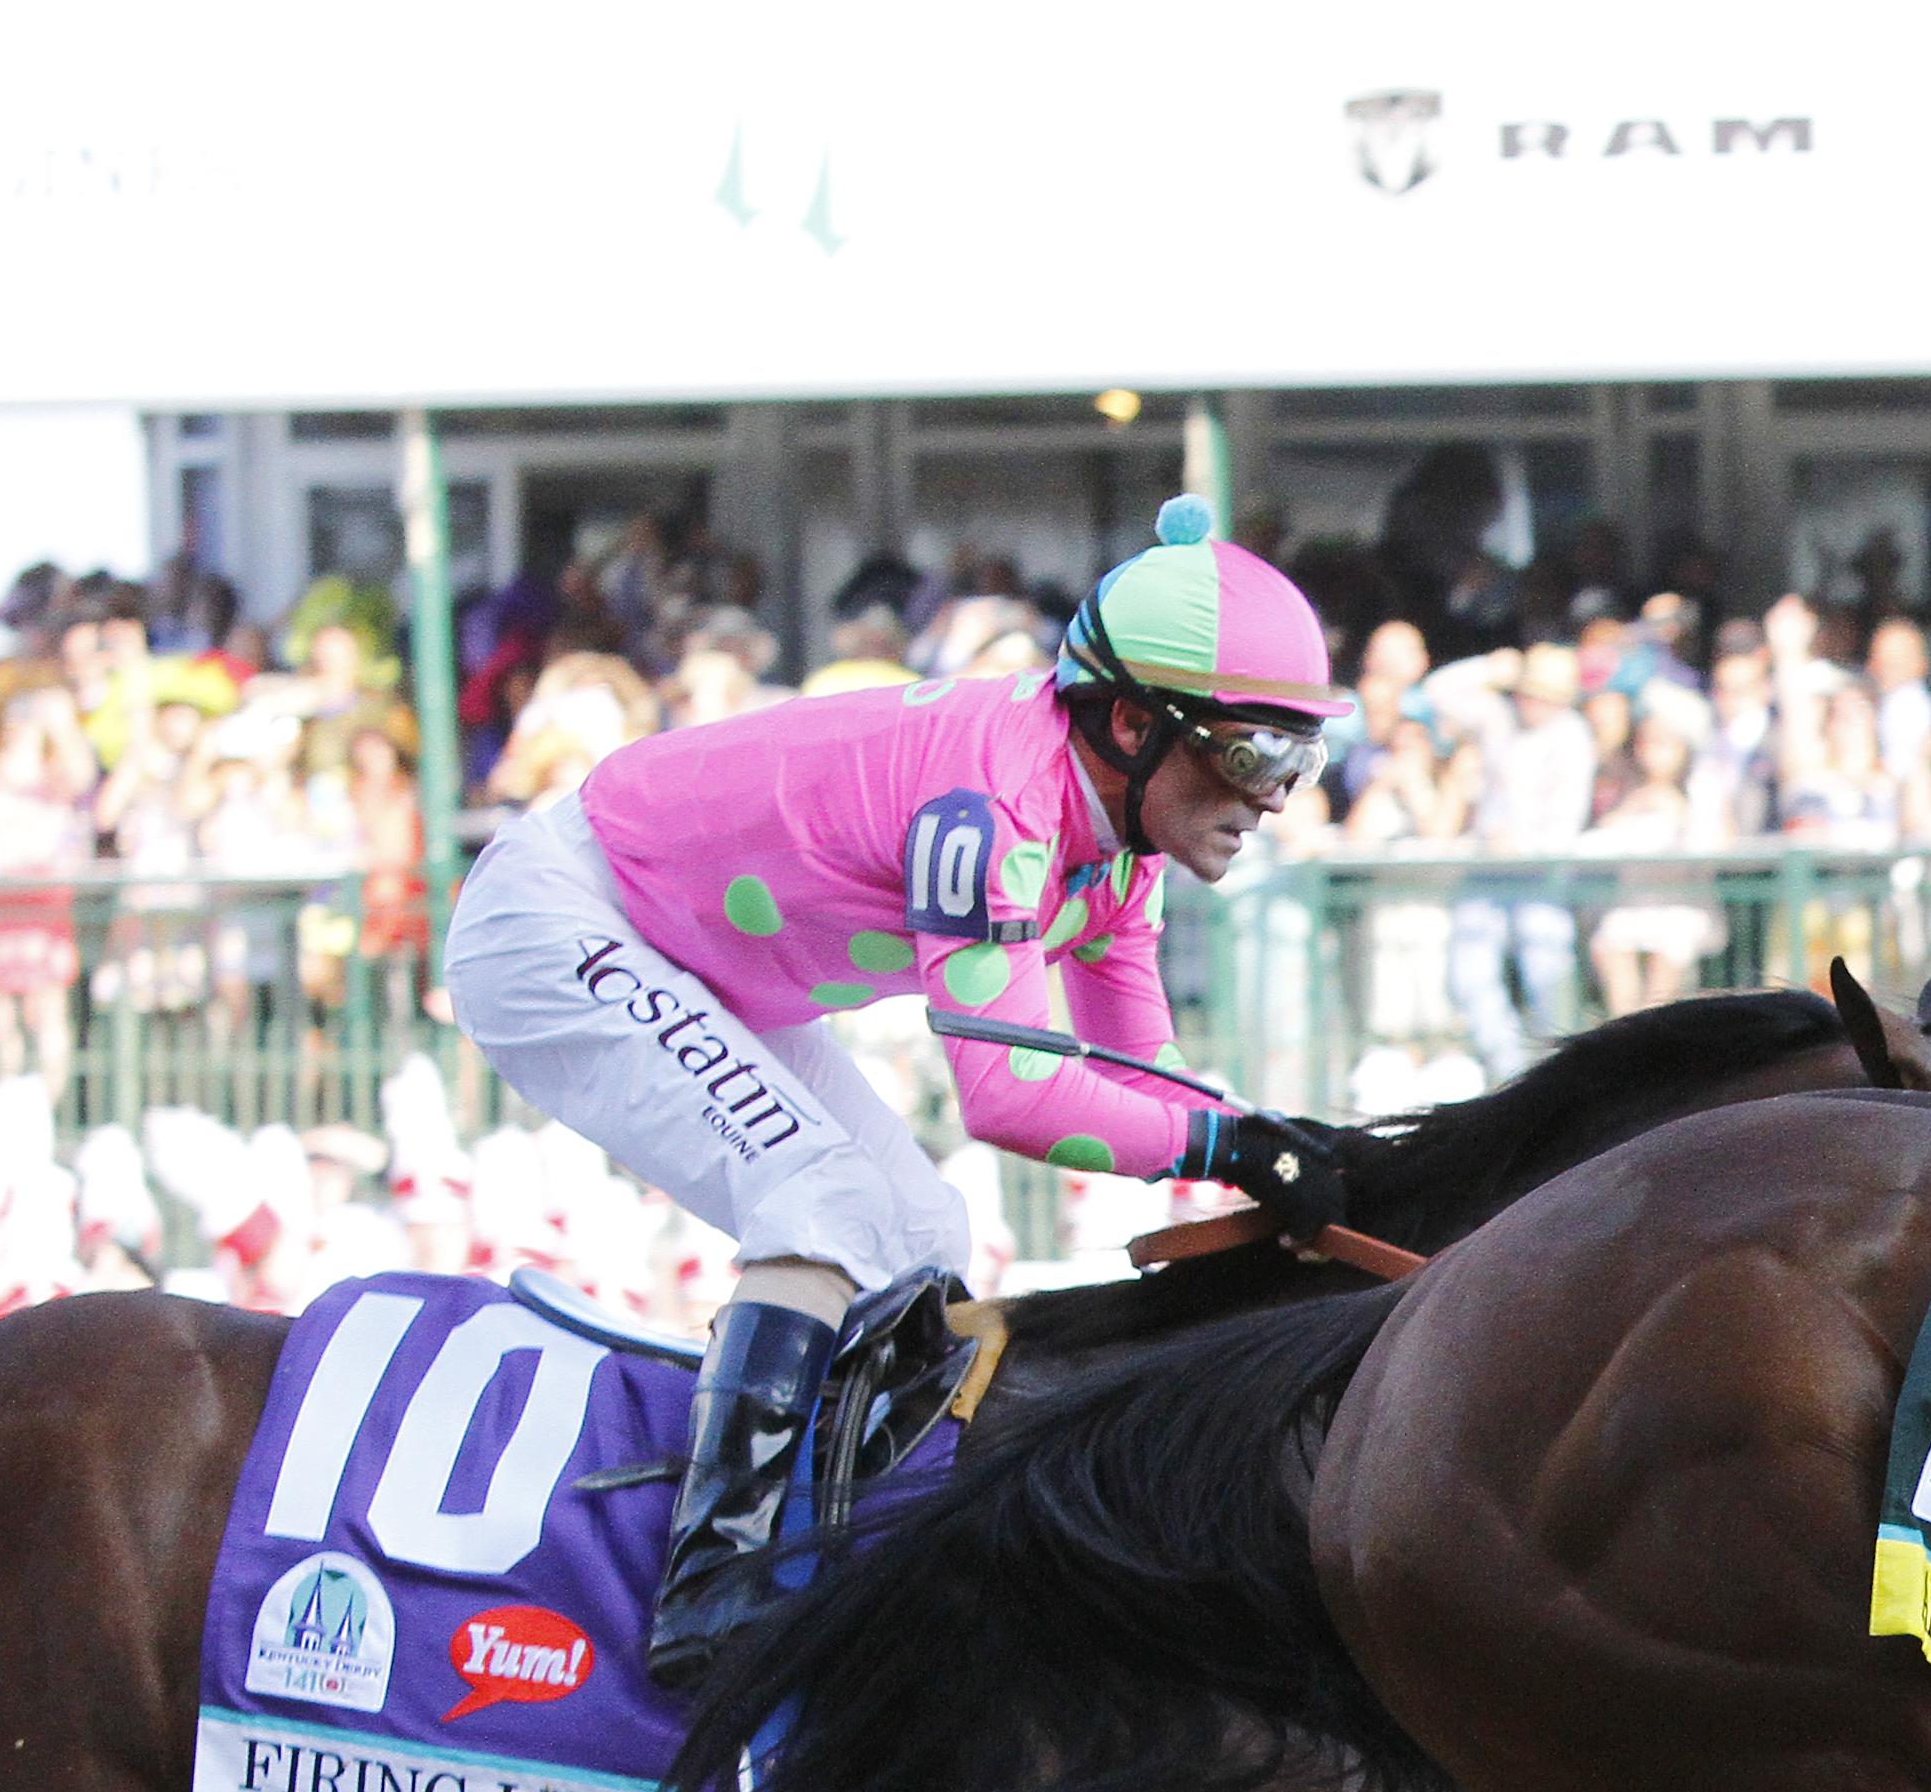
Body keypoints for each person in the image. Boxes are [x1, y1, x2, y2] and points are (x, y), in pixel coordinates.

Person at [438, 495, 1351, 1680]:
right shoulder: (995, 802)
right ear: (1131, 723)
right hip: (561, 919)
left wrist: (1274, 1154)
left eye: (1300, 753)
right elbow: (1014, 1096)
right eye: (1252, 751)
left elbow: (1141, 1080)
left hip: (696, 960)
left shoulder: (1117, 844)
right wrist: (1232, 1148)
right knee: (818, 1197)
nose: (1275, 794)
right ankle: (712, 1585)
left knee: (924, 1232)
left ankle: (852, 1556)